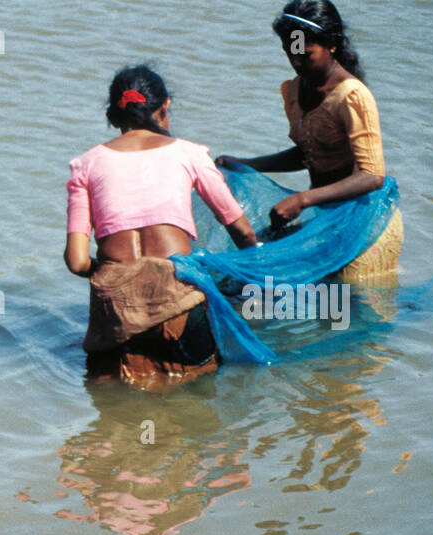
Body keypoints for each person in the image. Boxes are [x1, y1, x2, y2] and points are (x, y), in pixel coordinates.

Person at [65, 65, 258, 386]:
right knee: (201, 394)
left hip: (117, 312)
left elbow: (77, 261)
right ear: (164, 108)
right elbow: (242, 231)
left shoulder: (85, 165)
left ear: (113, 116)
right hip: (177, 306)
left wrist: (113, 270)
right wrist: (254, 273)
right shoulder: (191, 154)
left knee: (115, 406)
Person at [216, 0, 400, 281]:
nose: (297, 62)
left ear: (332, 45)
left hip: (365, 219)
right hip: (326, 216)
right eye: (290, 53)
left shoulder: (352, 96)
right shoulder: (293, 90)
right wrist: (245, 164)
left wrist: (302, 199)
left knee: (353, 302)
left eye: (306, 53)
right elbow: (307, 154)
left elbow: (372, 175)